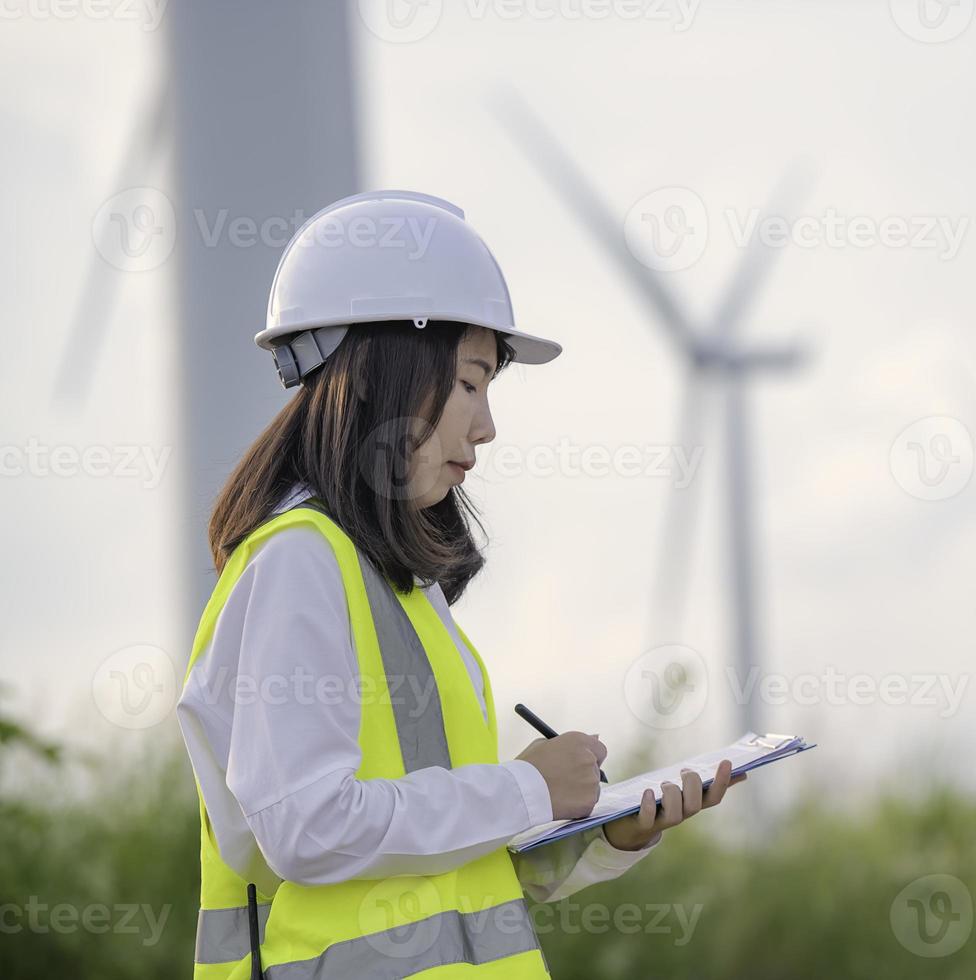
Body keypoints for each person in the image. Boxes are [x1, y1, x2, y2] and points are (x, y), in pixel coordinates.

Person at [174, 190, 742, 980]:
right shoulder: (300, 563)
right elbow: (307, 829)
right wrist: (524, 787)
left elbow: (445, 874)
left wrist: (605, 834)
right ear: (388, 373)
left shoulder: (395, 585)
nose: (486, 426)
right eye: (472, 382)